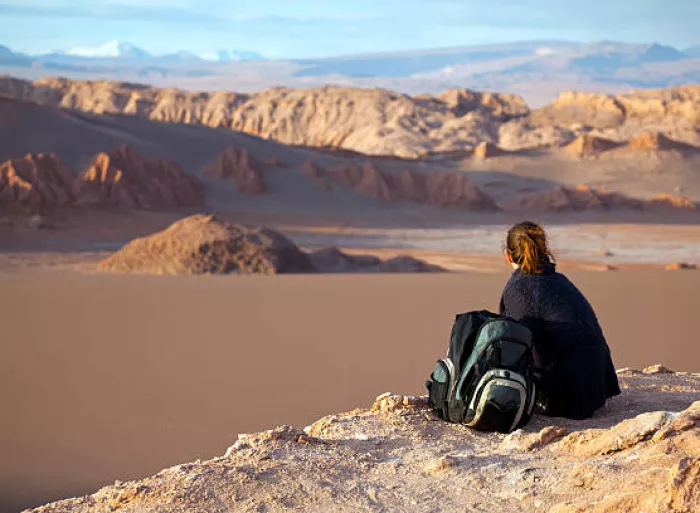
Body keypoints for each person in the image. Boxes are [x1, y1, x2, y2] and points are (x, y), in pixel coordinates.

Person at [499, 221, 620, 420]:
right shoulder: (559, 280)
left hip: (568, 401)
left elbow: (516, 347)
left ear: (508, 255)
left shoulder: (518, 288)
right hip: (597, 389)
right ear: (544, 249)